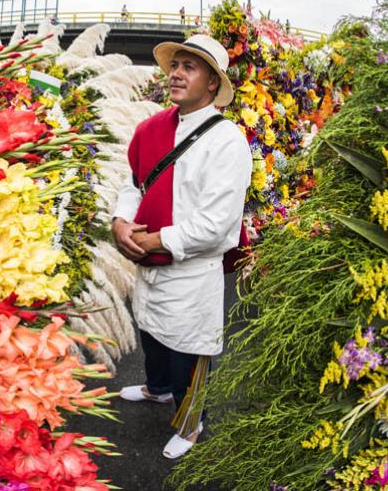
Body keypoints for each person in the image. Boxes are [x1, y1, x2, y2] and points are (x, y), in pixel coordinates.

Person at [111, 34, 252, 459]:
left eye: (190, 67)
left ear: (213, 83)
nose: (176, 73)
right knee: (151, 331)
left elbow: (218, 223)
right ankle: (156, 390)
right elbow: (133, 184)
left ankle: (191, 424)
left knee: (188, 348)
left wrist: (158, 240)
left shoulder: (227, 141)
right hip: (148, 260)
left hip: (191, 271)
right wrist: (121, 221)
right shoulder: (151, 128)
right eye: (175, 65)